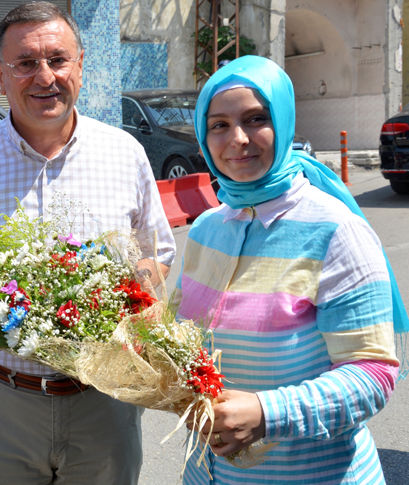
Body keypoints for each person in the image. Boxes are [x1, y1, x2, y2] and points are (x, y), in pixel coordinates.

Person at [0, 2, 175, 484]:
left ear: (80, 65)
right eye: (26, 63)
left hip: (103, 400)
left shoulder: (125, 154)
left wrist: (123, 300)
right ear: (0, 75)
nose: (45, 76)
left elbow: (155, 253)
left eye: (57, 59)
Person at [173, 54, 408, 484]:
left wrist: (267, 414)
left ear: (283, 122)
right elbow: (182, 338)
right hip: (208, 473)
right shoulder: (206, 229)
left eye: (255, 119)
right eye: (219, 124)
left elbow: (372, 373)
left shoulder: (335, 231)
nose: (237, 139)